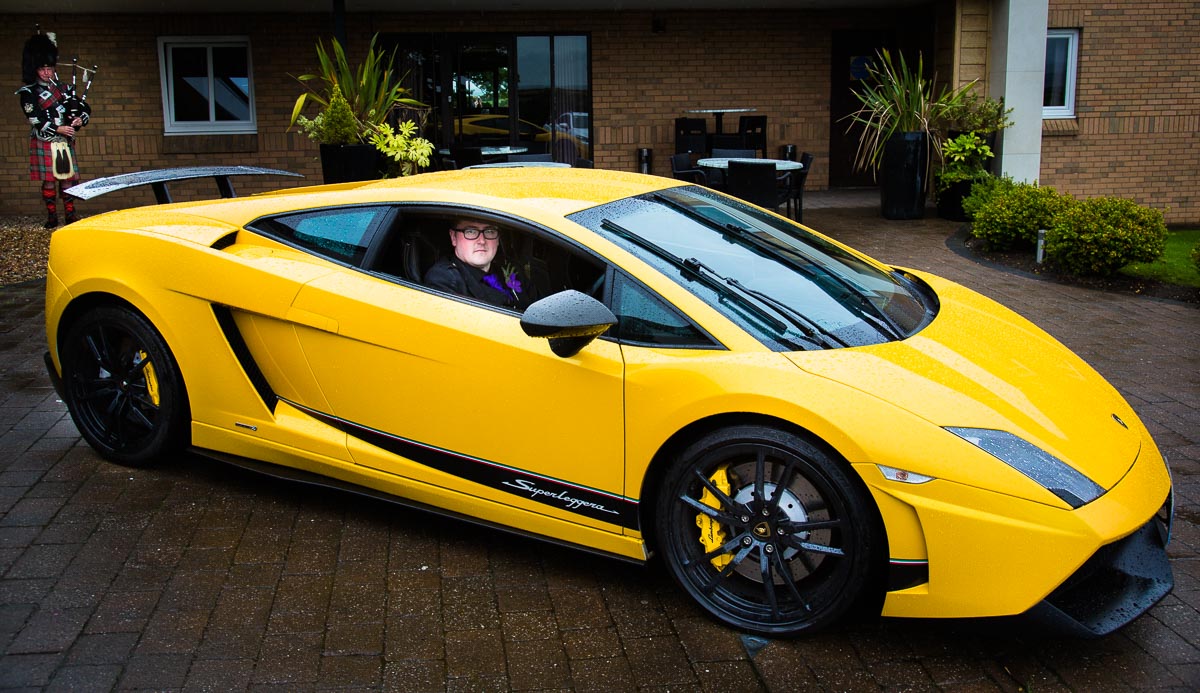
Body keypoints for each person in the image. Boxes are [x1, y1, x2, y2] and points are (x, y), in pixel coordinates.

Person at [17, 31, 90, 229]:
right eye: (42, 69)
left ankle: (70, 215)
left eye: (49, 68)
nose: (46, 72)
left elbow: (84, 108)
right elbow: (34, 119)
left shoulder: (64, 89)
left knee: (67, 179)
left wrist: (79, 120)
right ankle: (51, 217)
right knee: (49, 181)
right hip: (45, 139)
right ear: (35, 69)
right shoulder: (29, 93)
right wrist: (59, 128)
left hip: (65, 141)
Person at [423, 219, 528, 309]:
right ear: (454, 237)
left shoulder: (512, 270)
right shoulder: (443, 279)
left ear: (498, 240)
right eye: (471, 231)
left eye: (489, 231)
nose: (482, 241)